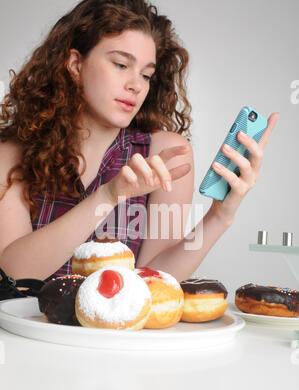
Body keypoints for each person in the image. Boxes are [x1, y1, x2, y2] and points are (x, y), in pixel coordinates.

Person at [0, 0, 278, 283]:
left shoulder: (165, 154)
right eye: (121, 64)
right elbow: (13, 274)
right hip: (28, 327)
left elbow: (154, 279)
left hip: (116, 330)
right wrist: (108, 197)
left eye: (146, 75)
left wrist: (219, 217)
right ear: (75, 64)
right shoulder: (12, 153)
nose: (136, 85)